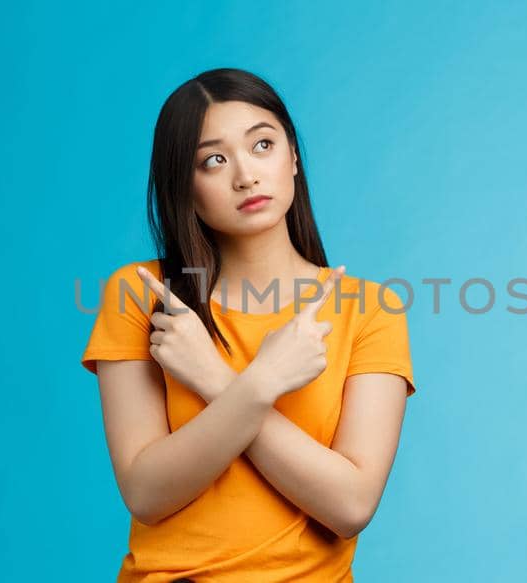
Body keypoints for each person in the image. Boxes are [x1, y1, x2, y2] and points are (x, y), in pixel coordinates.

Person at [80, 68, 417, 582]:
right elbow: (146, 494)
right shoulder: (144, 295)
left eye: (262, 144)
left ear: (294, 157)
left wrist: (217, 380)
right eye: (213, 160)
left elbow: (350, 506)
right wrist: (261, 384)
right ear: (183, 186)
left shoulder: (370, 309)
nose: (245, 175)